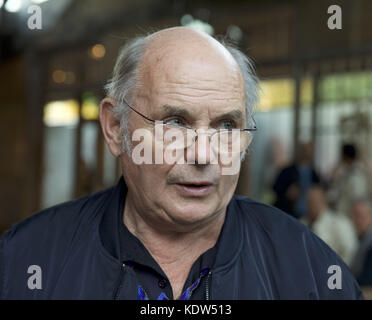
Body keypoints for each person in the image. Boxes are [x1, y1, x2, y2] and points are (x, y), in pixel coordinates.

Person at [0, 27, 362, 300]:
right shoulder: (24, 262)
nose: (203, 155)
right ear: (115, 128)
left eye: (225, 126)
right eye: (175, 123)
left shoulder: (308, 268)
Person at [301, 186, 358, 266]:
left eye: (315, 201)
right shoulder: (302, 223)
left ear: (324, 201)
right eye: (309, 201)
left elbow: (350, 250)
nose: (312, 205)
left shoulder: (340, 222)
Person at [272, 142, 320, 219]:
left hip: (308, 214)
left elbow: (319, 191)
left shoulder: (314, 173)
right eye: (303, 150)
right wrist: (287, 193)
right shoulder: (286, 171)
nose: (306, 153)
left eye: (308, 151)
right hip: (287, 212)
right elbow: (275, 188)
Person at [328, 144, 370, 217]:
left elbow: (357, 198)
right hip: (344, 213)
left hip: (351, 215)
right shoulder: (346, 171)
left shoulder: (357, 175)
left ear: (345, 157)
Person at [350, 198, 372, 286]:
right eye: (354, 216)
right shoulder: (363, 239)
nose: (357, 221)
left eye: (361, 216)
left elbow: (365, 279)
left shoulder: (369, 243)